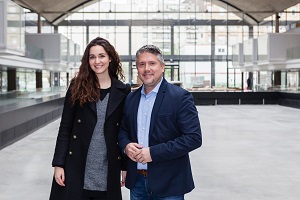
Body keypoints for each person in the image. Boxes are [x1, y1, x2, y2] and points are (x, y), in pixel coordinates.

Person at [49, 37, 131, 200]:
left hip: (107, 168)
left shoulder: (123, 91)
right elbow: (65, 128)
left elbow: (124, 131)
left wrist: (125, 167)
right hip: (76, 165)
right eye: (92, 57)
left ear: (110, 58)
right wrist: (59, 164)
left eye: (101, 56)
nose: (97, 61)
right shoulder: (77, 87)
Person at [118, 45, 202, 200]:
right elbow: (123, 130)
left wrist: (152, 153)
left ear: (162, 67)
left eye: (152, 63)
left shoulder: (180, 97)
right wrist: (126, 146)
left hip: (169, 183)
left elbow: (193, 138)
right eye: (141, 64)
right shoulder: (130, 98)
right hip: (137, 182)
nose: (146, 69)